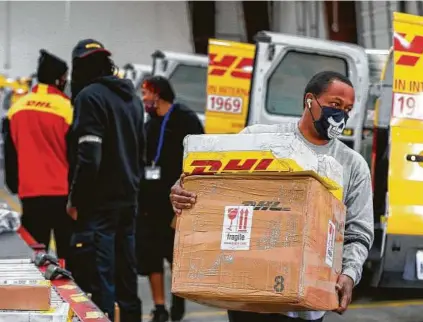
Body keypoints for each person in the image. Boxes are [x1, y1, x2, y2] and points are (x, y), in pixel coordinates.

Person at [169, 71, 374, 322]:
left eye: (348, 109)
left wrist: (350, 273)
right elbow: (211, 182)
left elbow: (359, 233)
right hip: (248, 297)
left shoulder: (352, 166)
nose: (341, 115)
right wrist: (181, 189)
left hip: (307, 307)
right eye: (335, 105)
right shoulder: (259, 140)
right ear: (309, 100)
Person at [67, 39, 144, 322]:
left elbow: (90, 156)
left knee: (101, 284)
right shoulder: (132, 98)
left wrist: (76, 199)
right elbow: (141, 152)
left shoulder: (90, 97)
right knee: (127, 278)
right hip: (128, 201)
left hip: (100, 207)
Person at [136, 76, 204, 322]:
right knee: (151, 256)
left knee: (176, 256)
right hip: (149, 204)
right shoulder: (148, 124)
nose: (143, 99)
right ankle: (160, 307)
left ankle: (178, 302)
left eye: (146, 93)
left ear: (158, 94)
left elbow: (200, 159)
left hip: (177, 203)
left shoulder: (185, 119)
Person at [2, 49, 73, 268]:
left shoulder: (16, 109)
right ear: (58, 79)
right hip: (62, 194)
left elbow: (10, 155)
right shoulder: (67, 108)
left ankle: (39, 298)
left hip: (30, 193)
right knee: (67, 253)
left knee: (36, 254)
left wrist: (15, 186)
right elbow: (76, 155)